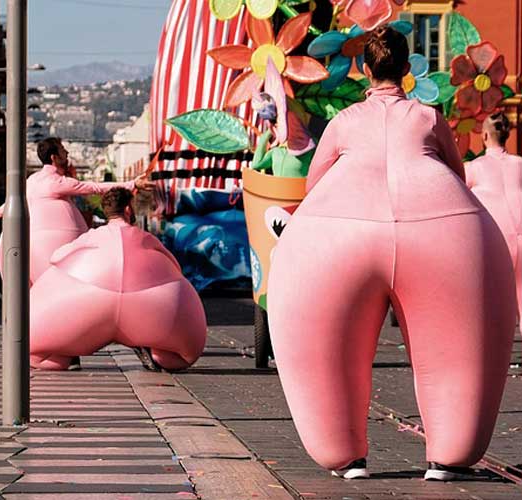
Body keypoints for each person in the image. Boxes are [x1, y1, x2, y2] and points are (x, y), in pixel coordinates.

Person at [266, 26, 515, 481]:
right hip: (442, 231)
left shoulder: (343, 122)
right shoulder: (428, 117)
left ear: (363, 69)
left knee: (324, 351)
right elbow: (456, 175)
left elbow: (313, 185)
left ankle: (342, 452)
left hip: (336, 236)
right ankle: (450, 453)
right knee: (455, 351)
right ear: (406, 69)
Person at [29, 187, 207, 371]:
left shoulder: (92, 236)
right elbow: (173, 265)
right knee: (181, 357)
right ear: (129, 210)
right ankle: (157, 352)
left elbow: (56, 256)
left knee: (40, 356)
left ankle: (64, 352)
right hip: (150, 306)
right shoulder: (147, 239)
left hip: (90, 305)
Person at [0, 137, 154, 283]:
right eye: (63, 150)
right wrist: (132, 184)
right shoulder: (57, 182)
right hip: (52, 247)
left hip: (27, 244)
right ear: (54, 157)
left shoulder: (33, 180)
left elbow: (16, 201)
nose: (67, 153)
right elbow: (94, 187)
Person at [465, 112, 522, 318]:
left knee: (493, 305)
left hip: (495, 241)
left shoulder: (474, 167)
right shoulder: (519, 164)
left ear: (485, 136)